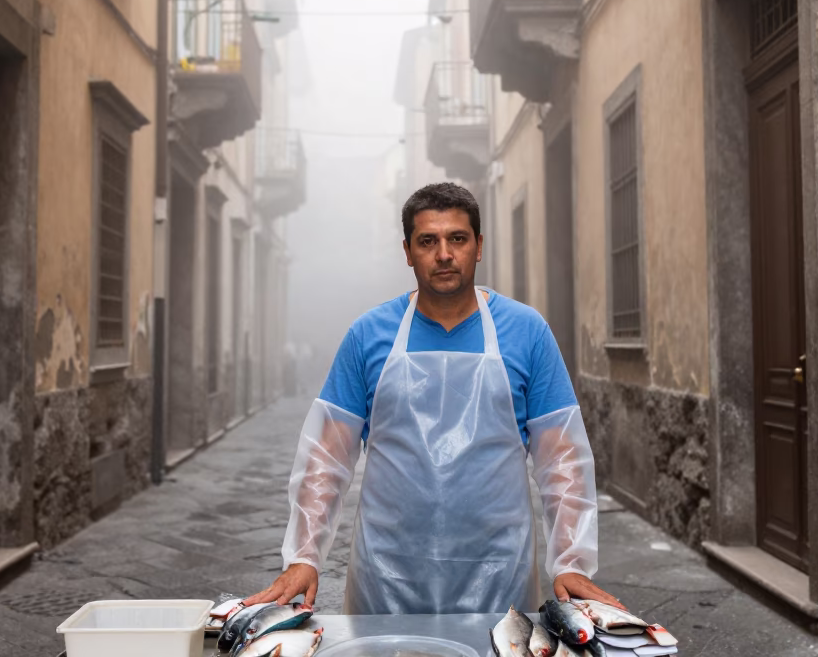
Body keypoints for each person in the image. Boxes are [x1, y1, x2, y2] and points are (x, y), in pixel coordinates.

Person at [245, 182, 620, 615]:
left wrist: (570, 563)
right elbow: (326, 460)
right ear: (408, 252)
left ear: (478, 246)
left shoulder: (527, 331)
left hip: (499, 573)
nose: (444, 254)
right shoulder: (368, 334)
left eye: (457, 239)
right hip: (386, 575)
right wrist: (304, 557)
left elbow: (563, 461)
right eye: (428, 241)